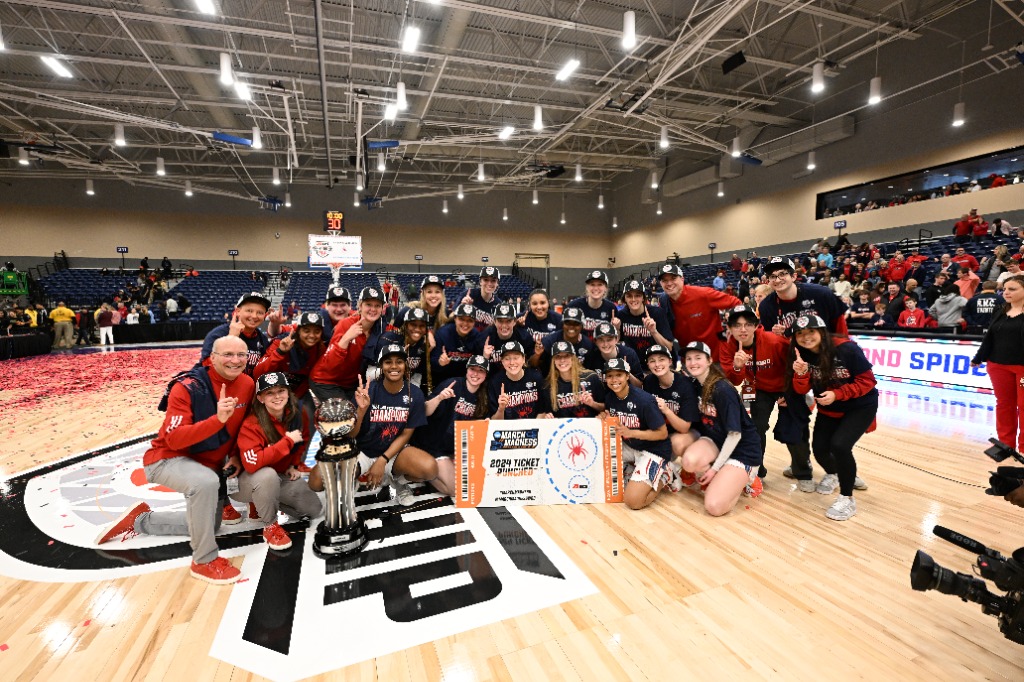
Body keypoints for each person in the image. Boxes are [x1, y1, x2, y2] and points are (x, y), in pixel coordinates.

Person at [95, 336, 255, 584]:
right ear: (212, 358)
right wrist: (217, 420)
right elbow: (174, 440)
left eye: (241, 355)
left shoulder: (247, 383)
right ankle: (204, 560)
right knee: (204, 483)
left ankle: (141, 521)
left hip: (206, 463)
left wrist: (234, 454)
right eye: (228, 355)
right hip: (167, 458)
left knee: (210, 525)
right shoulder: (188, 387)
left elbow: (239, 428)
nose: (235, 361)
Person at [789, 314, 878, 521]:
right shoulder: (800, 354)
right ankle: (839, 473)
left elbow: (868, 381)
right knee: (820, 449)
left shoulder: (846, 348)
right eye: (800, 334)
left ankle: (847, 498)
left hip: (860, 406)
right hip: (830, 408)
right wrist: (801, 374)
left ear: (821, 331)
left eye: (810, 331)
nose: (806, 337)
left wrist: (838, 394)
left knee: (840, 446)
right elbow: (802, 389)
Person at [720, 305, 815, 488]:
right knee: (754, 428)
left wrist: (790, 392)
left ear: (756, 325)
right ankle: (757, 471)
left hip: (785, 385)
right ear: (730, 328)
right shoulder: (727, 347)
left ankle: (803, 472)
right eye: (737, 325)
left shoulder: (774, 341)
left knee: (793, 428)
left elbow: (796, 364)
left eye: (748, 324)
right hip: (754, 386)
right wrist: (738, 366)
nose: (743, 329)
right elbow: (735, 380)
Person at [232, 372, 322, 545]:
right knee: (266, 475)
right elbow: (253, 464)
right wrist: (286, 442)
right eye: (270, 393)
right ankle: (270, 525)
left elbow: (301, 440)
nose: (277, 396)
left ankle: (265, 500)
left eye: (281, 390)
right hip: (244, 482)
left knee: (313, 509)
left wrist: (294, 464)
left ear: (288, 392)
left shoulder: (296, 413)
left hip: (278, 475)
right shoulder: (252, 424)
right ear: (260, 398)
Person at [678, 342, 764, 516]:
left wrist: (714, 469)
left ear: (709, 360)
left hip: (742, 451)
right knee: (688, 461)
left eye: (698, 358)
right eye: (689, 358)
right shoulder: (695, 385)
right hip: (716, 441)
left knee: (714, 507)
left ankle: (747, 478)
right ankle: (725, 478)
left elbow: (735, 435)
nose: (693, 362)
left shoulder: (722, 389)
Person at [351, 344, 436, 505]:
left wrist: (382, 460)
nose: (394, 366)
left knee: (430, 469)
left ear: (406, 365)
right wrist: (360, 412)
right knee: (333, 476)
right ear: (381, 366)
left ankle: (397, 481)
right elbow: (351, 435)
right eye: (388, 362)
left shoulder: (415, 394)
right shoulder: (367, 391)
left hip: (393, 453)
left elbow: (406, 433)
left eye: (399, 361)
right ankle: (355, 478)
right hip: (363, 450)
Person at [600, 357, 675, 510]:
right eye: (610, 376)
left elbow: (662, 434)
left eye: (619, 375)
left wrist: (632, 433)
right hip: (631, 446)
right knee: (598, 466)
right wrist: (603, 417)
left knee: (633, 501)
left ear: (627, 376)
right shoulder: (609, 398)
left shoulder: (644, 401)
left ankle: (666, 474)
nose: (614, 380)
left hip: (654, 450)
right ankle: (634, 468)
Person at [415, 355, 491, 496]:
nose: (475, 374)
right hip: (433, 446)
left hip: (455, 450)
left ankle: (435, 469)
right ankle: (423, 471)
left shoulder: (483, 396)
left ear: (486, 374)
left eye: (480, 371)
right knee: (456, 489)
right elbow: (424, 411)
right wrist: (439, 398)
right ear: (467, 370)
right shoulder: (453, 384)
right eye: (472, 369)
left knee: (475, 484)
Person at [972, 276, 1024, 451]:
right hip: (997, 365)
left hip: (1022, 367)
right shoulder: (1000, 309)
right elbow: (990, 337)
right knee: (1004, 404)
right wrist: (979, 357)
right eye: (1005, 289)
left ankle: (1023, 448)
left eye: (1012, 289)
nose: (1006, 293)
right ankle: (1005, 445)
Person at [309, 286, 387, 403]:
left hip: (350, 384)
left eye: (377, 306)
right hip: (325, 381)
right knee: (346, 415)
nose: (373, 309)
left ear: (382, 309)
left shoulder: (380, 330)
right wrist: (346, 338)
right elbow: (330, 364)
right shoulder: (345, 325)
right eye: (368, 305)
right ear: (360, 306)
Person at [656, 262, 740, 358]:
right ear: (661, 283)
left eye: (673, 278)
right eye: (665, 280)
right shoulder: (663, 302)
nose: (669, 283)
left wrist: (732, 326)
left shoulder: (703, 294)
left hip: (714, 357)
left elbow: (736, 302)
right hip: (688, 362)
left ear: (682, 279)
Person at [759, 257, 847, 336]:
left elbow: (841, 328)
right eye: (772, 276)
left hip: (825, 350)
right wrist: (776, 335)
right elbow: (770, 339)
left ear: (793, 276)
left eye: (782, 274)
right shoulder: (765, 306)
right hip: (791, 352)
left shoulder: (821, 294)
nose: (777, 280)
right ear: (768, 281)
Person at [643, 344, 699, 466]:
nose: (657, 364)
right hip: (663, 431)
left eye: (661, 359)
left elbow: (684, 428)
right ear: (648, 365)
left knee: (676, 443)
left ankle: (692, 469)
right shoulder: (649, 382)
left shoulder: (685, 385)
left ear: (670, 361)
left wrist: (666, 410)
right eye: (652, 361)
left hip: (689, 432)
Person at [253, 312, 327, 399]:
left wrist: (294, 399)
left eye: (317, 331)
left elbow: (309, 379)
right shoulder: (281, 342)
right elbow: (257, 373)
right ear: (298, 331)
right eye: (306, 331)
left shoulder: (321, 349)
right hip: (269, 392)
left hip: (296, 395)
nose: (311, 335)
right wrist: (280, 352)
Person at [201, 292, 271, 375]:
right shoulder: (218, 334)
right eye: (249, 311)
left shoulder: (262, 339)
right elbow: (207, 367)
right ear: (238, 311)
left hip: (247, 384)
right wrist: (231, 338)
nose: (254, 316)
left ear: (265, 316)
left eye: (260, 312)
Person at [364, 306, 433, 390]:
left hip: (402, 389)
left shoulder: (422, 345)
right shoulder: (388, 340)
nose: (417, 329)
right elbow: (369, 374)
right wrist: (396, 366)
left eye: (422, 326)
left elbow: (416, 376)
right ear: (406, 325)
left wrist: (412, 394)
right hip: (379, 387)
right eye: (413, 324)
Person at [544, 340, 605, 418]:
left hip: (589, 427)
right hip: (565, 429)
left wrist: (592, 403)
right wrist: (548, 418)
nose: (562, 360)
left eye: (566, 355)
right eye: (558, 356)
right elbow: (549, 415)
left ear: (573, 358)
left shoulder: (591, 377)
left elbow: (605, 408)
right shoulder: (549, 386)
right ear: (553, 361)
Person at [489, 340, 547, 419]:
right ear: (502, 361)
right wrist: (501, 409)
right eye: (507, 359)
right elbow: (493, 422)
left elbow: (542, 411)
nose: (512, 362)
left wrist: (533, 429)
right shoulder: (495, 382)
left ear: (523, 359)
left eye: (516, 358)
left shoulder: (536, 377)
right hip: (507, 429)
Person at [617, 279, 673, 359]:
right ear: (624, 299)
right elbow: (617, 344)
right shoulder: (621, 315)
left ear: (643, 298)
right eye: (629, 296)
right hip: (632, 365)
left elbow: (669, 347)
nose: (633, 299)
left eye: (637, 295)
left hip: (654, 364)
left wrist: (654, 332)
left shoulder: (657, 313)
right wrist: (617, 329)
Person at [431, 303, 485, 385]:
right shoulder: (442, 334)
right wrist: (440, 362)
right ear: (455, 318)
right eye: (462, 319)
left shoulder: (477, 336)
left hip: (465, 382)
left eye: (470, 320)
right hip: (442, 380)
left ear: (474, 322)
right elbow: (432, 363)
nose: (465, 324)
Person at [533, 307, 595, 375]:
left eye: (576, 323)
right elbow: (532, 365)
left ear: (582, 326)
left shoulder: (587, 344)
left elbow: (589, 370)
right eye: (567, 323)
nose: (571, 326)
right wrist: (537, 355)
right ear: (562, 324)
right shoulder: (549, 341)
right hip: (552, 379)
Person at [480, 302, 535, 369]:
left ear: (514, 321)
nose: (504, 325)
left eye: (508, 321)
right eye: (500, 321)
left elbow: (532, 364)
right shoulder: (485, 337)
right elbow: (478, 369)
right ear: (494, 321)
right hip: (492, 376)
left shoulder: (524, 337)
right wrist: (484, 358)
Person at [565, 270, 618, 337]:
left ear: (606, 288)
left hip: (602, 346)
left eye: (600, 284)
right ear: (587, 287)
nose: (596, 288)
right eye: (592, 284)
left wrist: (617, 327)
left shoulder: (611, 308)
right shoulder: (574, 306)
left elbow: (616, 338)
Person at [461, 266, 503, 330]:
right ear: (480, 282)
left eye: (493, 280)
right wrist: (461, 307)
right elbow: (451, 317)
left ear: (497, 284)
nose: (489, 283)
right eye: (486, 280)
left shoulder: (499, 304)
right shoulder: (468, 295)